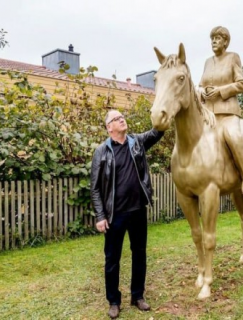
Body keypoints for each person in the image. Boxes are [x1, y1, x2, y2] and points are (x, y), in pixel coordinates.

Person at [90, 109, 164, 318]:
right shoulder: (101, 152)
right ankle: (114, 301)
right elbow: (95, 188)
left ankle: (137, 296)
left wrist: (164, 112)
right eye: (116, 118)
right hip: (115, 216)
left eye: (122, 117)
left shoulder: (137, 142)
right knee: (112, 259)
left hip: (138, 211)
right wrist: (100, 216)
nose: (122, 119)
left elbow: (157, 132)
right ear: (109, 127)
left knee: (139, 254)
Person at [198, 26, 243, 194]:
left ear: (225, 42)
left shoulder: (233, 58)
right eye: (212, 38)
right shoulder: (207, 62)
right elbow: (201, 85)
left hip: (228, 113)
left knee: (233, 136)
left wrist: (220, 91)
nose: (214, 41)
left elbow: (241, 84)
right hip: (208, 114)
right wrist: (201, 91)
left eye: (218, 38)